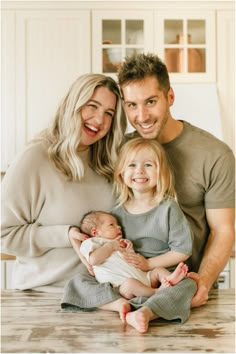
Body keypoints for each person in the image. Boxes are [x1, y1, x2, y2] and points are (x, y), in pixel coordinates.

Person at [61, 53, 234, 332]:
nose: (141, 116)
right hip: (124, 283)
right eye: (131, 105)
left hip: (177, 282)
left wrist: (203, 280)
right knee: (80, 282)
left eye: (150, 102)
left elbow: (223, 230)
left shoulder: (215, 155)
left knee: (182, 288)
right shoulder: (121, 151)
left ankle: (155, 306)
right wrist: (74, 234)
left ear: (170, 97)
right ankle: (124, 307)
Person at [1, 73, 127, 292]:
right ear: (73, 104)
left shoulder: (109, 162)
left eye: (109, 113)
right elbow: (3, 235)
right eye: (92, 106)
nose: (99, 120)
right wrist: (65, 234)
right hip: (45, 296)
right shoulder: (35, 158)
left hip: (104, 298)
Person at [79, 208, 189, 304]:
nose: (119, 227)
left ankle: (170, 279)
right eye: (111, 225)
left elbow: (132, 260)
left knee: (158, 270)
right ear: (95, 232)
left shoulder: (121, 242)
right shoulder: (91, 243)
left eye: (118, 224)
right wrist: (110, 246)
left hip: (145, 278)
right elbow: (93, 260)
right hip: (122, 287)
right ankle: (157, 292)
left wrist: (129, 249)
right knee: (130, 284)